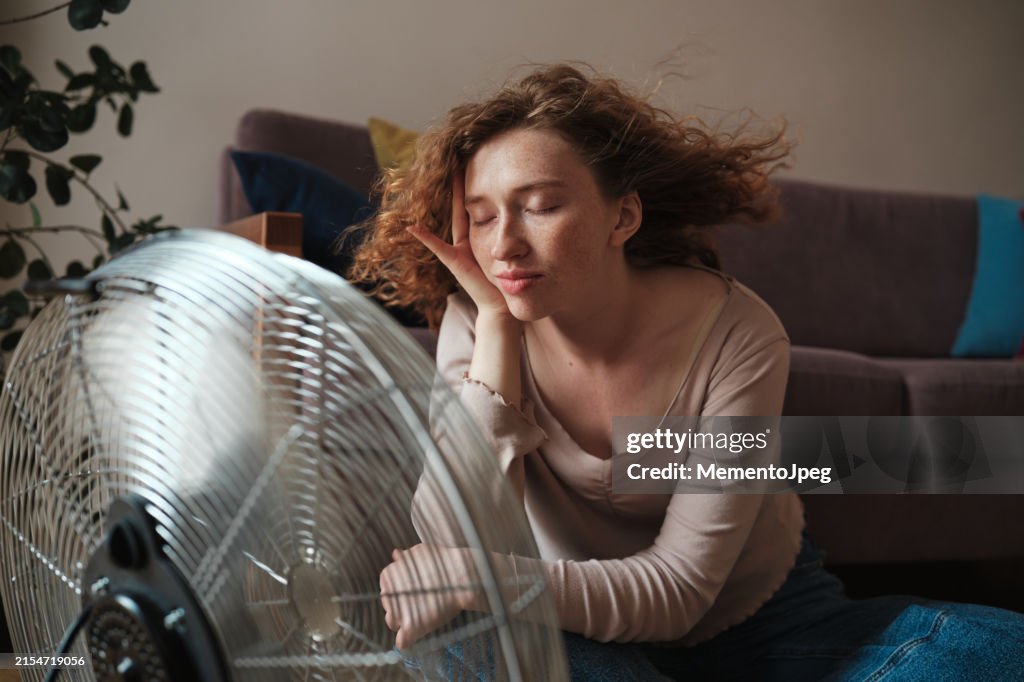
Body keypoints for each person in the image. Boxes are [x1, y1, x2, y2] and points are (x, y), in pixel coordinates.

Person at [351, 64, 1024, 680]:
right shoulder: (479, 318)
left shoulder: (738, 332)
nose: (504, 245)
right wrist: (497, 329)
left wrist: (480, 577)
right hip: (574, 626)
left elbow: (677, 591)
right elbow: (444, 542)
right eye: (482, 217)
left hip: (762, 625)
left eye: (541, 205)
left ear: (624, 215)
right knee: (455, 637)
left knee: (992, 653)